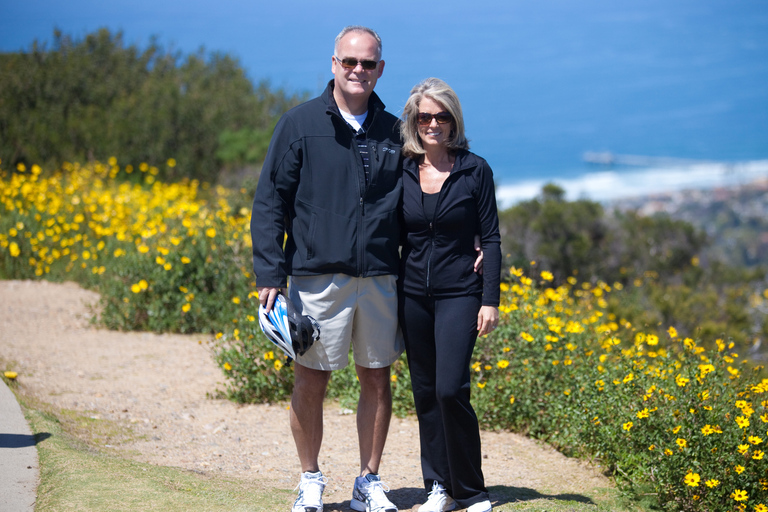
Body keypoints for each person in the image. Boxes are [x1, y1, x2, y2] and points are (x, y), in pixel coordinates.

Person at [251, 26, 403, 512]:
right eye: (350, 62)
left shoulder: (395, 131)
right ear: (333, 64)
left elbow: (424, 201)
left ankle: (368, 481)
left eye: (369, 64)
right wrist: (270, 272)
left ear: (381, 69)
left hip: (380, 276)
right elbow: (270, 201)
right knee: (310, 379)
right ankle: (310, 480)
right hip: (316, 277)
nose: (359, 71)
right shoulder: (299, 124)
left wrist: (474, 245)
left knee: (377, 379)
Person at [397, 78, 501, 512]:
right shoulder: (401, 168)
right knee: (424, 392)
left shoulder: (475, 170)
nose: (433, 124)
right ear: (414, 122)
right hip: (412, 296)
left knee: (449, 388)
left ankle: (472, 491)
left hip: (461, 292)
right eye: (425, 116)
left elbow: (491, 237)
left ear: (453, 120)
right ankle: (437, 488)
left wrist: (490, 298)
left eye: (441, 116)